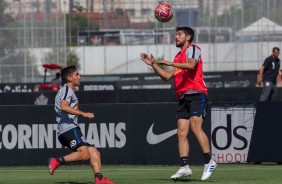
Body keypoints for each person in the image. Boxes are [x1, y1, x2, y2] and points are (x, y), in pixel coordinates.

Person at [140, 27, 216, 181]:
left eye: (179, 34)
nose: (176, 37)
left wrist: (168, 62)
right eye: (176, 34)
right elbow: (168, 76)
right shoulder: (177, 56)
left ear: (188, 37)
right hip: (183, 97)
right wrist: (153, 64)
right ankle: (184, 167)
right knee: (181, 132)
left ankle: (209, 162)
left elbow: (191, 65)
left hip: (196, 93)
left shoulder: (193, 49)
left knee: (195, 127)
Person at [48, 65, 113, 184]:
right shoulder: (67, 90)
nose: (80, 77)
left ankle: (99, 178)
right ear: (69, 78)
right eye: (77, 74)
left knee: (94, 152)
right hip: (68, 129)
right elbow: (64, 107)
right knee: (84, 153)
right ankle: (56, 161)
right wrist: (83, 114)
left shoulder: (66, 90)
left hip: (68, 129)